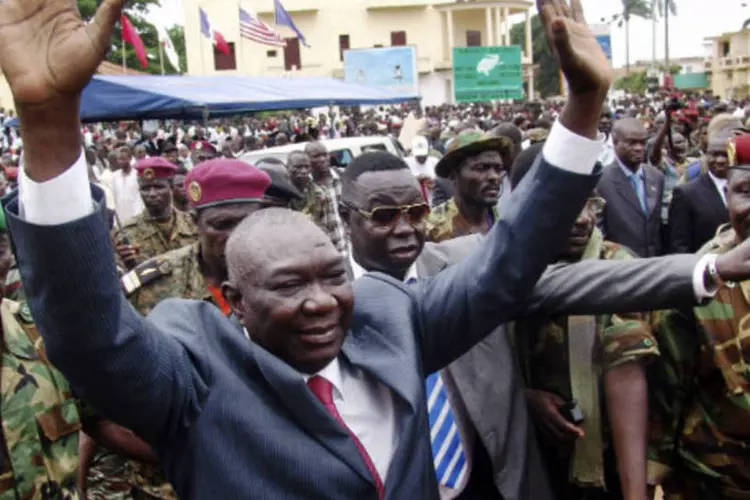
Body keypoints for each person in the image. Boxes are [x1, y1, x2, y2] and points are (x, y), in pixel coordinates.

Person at [0, 0, 714, 498]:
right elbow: (88, 334)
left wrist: (582, 108)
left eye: (330, 276)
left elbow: (507, 268)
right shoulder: (195, 375)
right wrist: (48, 122)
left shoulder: (387, 319)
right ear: (236, 303)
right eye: (287, 287)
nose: (320, 302)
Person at [339, 150, 730, 500]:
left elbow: (576, 281)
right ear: (345, 216)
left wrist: (711, 267)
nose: (406, 228)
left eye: (416, 212)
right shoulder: (323, 298)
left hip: (489, 483)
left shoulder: (465, 261)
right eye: (385, 216)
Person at [648, 134, 750, 499]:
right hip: (715, 479)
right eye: (745, 191)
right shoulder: (700, 281)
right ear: (728, 198)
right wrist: (651, 471)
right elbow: (666, 389)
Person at [123, 159, 273, 316]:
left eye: (246, 223)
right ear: (195, 221)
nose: (235, 235)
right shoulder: (155, 284)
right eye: (222, 225)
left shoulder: (279, 272)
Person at [112, 157, 198, 269]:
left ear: (171, 188)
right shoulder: (127, 232)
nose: (152, 194)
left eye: (158, 187)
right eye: (145, 188)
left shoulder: (193, 224)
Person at [425, 130, 510, 243]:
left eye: (498, 169)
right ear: (454, 176)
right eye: (481, 168)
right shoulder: (432, 230)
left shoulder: (507, 219)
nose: (494, 176)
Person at [597, 117, 665, 257]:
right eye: (632, 143)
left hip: (654, 265)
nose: (639, 148)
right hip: (621, 268)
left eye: (642, 143)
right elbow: (599, 235)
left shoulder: (656, 177)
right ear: (615, 143)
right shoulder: (601, 181)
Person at [668, 133, 731, 254]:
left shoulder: (743, 188)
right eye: (714, 154)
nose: (720, 160)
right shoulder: (686, 193)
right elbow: (680, 245)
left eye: (725, 155)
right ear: (706, 156)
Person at [305, 140, 348, 254]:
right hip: (325, 253)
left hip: (351, 248)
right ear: (307, 160)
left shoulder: (344, 176)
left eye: (325, 154)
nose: (322, 159)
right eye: (316, 156)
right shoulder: (305, 186)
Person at [110, 145, 144, 225]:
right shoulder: (114, 176)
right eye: (119, 159)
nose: (120, 162)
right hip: (121, 215)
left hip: (136, 214)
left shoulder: (137, 175)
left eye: (123, 159)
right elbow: (114, 198)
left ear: (130, 158)